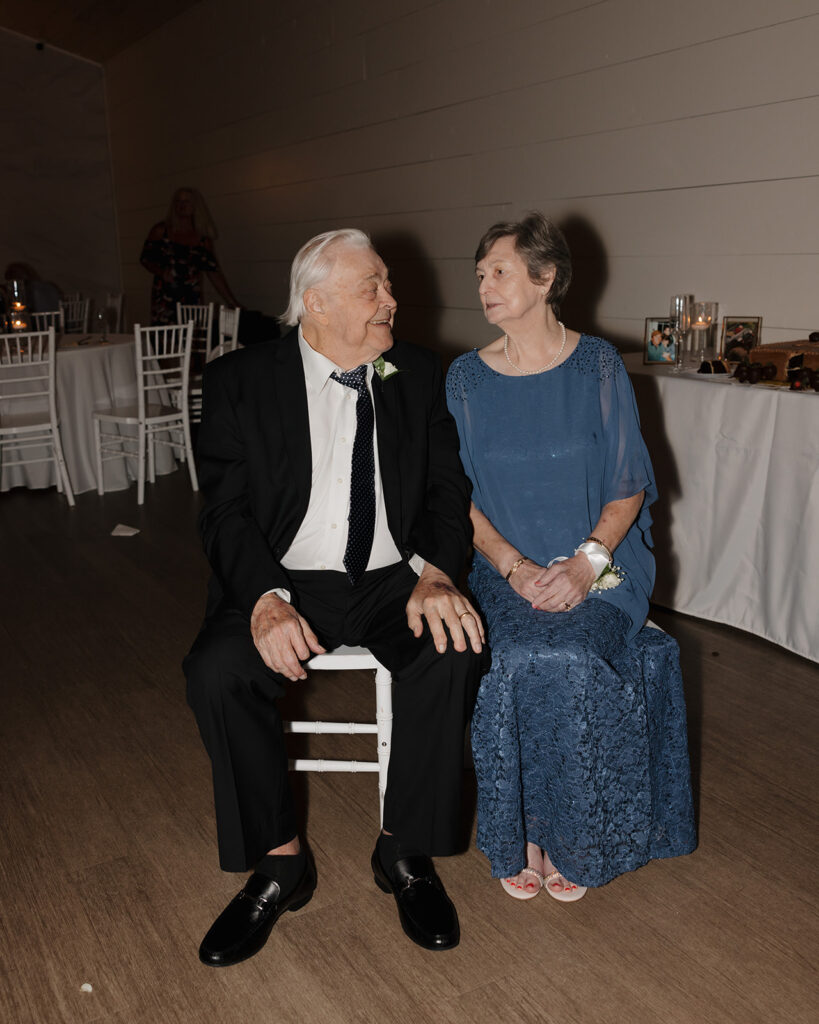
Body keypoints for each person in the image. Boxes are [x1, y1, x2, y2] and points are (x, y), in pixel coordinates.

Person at [183, 228, 485, 966]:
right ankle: (281, 862)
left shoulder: (418, 372)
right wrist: (260, 598)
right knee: (217, 672)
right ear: (314, 303)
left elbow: (449, 492)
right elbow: (223, 513)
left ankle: (402, 851)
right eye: (371, 287)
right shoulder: (240, 382)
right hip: (284, 578)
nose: (391, 299)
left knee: (453, 649)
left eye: (386, 285)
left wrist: (437, 573)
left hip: (393, 577)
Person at [445, 213, 696, 903]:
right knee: (521, 652)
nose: (485, 286)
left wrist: (585, 565)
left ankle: (574, 835)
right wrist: (514, 568)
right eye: (479, 276)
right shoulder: (465, 378)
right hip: (504, 566)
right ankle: (522, 829)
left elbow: (627, 486)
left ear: (545, 277)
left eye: (498, 271)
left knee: (570, 652)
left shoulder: (596, 364)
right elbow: (459, 499)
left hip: (605, 561)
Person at [140, 187, 239, 324]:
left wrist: (231, 301)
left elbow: (213, 272)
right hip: (166, 296)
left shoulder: (202, 239)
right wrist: (161, 272)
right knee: (166, 339)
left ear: (195, 206)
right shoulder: (161, 231)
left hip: (191, 297)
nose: (182, 205)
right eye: (178, 201)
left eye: (187, 201)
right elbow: (145, 258)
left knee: (192, 338)